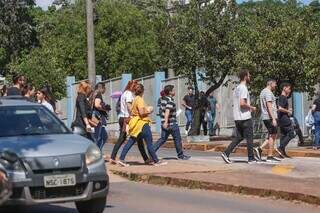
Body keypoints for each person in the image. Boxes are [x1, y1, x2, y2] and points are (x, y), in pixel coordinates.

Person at [118, 84, 167, 166]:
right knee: (149, 143)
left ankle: (121, 159)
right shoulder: (140, 99)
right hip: (142, 123)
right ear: (143, 91)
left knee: (131, 141)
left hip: (135, 124)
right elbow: (141, 112)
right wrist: (149, 110)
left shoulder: (135, 100)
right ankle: (156, 161)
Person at [221, 69, 256, 164]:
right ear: (245, 76)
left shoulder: (236, 88)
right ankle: (251, 158)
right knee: (249, 137)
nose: (250, 77)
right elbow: (242, 103)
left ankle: (226, 153)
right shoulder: (243, 88)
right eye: (249, 75)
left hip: (237, 117)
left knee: (239, 137)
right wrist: (251, 107)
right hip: (245, 117)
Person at [110, 80, 149, 164]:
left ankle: (146, 158)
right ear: (132, 86)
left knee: (137, 138)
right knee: (128, 138)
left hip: (123, 117)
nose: (136, 88)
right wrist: (134, 114)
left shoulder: (124, 93)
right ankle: (117, 157)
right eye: (135, 86)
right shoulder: (128, 94)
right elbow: (129, 107)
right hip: (126, 119)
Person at [154, 85, 191, 160]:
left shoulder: (163, 99)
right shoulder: (170, 100)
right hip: (171, 124)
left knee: (162, 139)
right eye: (173, 90)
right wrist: (166, 122)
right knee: (177, 139)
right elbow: (167, 111)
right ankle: (181, 155)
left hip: (164, 123)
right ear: (170, 92)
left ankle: (152, 151)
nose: (174, 91)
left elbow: (162, 111)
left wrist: (164, 122)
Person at [254, 79, 280, 163]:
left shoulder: (263, 92)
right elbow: (269, 106)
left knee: (271, 135)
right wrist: (273, 118)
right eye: (275, 84)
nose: (276, 85)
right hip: (269, 117)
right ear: (270, 83)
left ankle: (260, 149)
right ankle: (270, 156)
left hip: (266, 117)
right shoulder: (268, 92)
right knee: (273, 135)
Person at [276, 83, 294, 158]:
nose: (290, 90)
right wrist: (288, 111)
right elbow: (279, 108)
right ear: (284, 88)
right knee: (291, 133)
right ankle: (280, 148)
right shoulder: (282, 97)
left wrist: (287, 111)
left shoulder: (282, 97)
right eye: (289, 88)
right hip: (284, 119)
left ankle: (282, 153)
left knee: (283, 135)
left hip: (282, 118)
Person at [90, 83, 110, 150]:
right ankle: (96, 153)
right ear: (101, 88)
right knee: (97, 137)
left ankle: (97, 152)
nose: (105, 89)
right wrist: (105, 108)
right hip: (97, 117)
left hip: (94, 116)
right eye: (104, 88)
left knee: (103, 136)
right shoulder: (98, 94)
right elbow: (97, 105)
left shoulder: (93, 93)